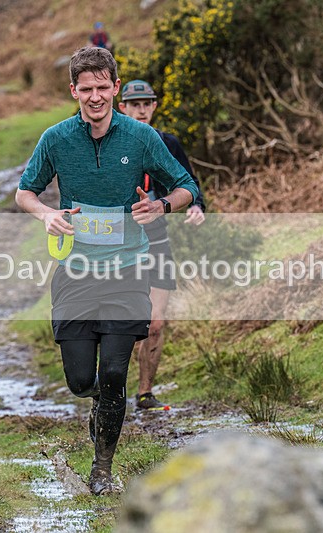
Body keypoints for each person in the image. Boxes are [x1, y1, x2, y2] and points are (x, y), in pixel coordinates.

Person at [15, 47, 198, 495]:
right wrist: (46, 215)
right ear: (73, 91)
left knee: (115, 373)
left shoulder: (140, 138)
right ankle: (99, 403)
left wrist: (160, 205)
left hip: (129, 271)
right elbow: (25, 192)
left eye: (103, 88)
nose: (95, 97)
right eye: (86, 89)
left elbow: (187, 187)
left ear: (115, 88)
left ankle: (102, 469)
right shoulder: (56, 139)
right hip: (76, 273)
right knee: (83, 381)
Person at [118, 79, 206, 411]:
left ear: (154, 106)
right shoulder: (110, 143)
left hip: (157, 241)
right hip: (118, 245)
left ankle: (144, 394)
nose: (141, 109)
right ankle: (109, 393)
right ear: (122, 107)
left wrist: (196, 206)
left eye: (147, 103)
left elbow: (190, 184)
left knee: (155, 323)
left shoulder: (169, 144)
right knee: (119, 324)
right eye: (134, 104)